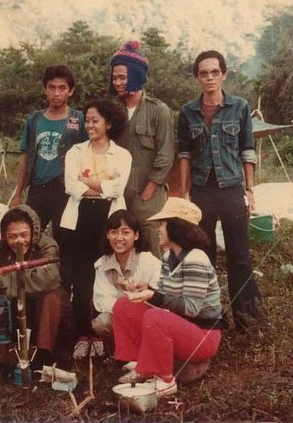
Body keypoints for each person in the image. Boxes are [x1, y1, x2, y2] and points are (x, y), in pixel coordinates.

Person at [177, 50, 262, 330]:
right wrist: (185, 192)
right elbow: (185, 154)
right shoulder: (188, 112)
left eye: (215, 72)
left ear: (223, 74)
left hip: (231, 189)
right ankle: (209, 315)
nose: (210, 78)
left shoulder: (239, 107)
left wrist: (249, 190)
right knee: (203, 254)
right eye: (204, 73)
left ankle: (247, 315)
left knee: (239, 254)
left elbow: (247, 150)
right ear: (197, 77)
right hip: (202, 192)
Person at [113, 197, 224, 397]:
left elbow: (191, 308)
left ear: (176, 227)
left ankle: (165, 379)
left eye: (163, 224)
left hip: (203, 335)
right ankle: (141, 365)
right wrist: (144, 288)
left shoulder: (196, 258)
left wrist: (153, 295)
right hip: (181, 326)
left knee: (155, 317)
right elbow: (164, 295)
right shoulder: (168, 257)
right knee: (124, 305)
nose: (158, 229)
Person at [10, 65, 88, 293]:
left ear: (70, 91)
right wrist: (17, 192)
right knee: (28, 238)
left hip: (65, 190)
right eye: (51, 88)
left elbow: (88, 153)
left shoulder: (79, 120)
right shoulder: (34, 120)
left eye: (62, 88)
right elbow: (26, 158)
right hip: (38, 189)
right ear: (45, 90)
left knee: (66, 242)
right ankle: (28, 290)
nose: (56, 93)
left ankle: (63, 294)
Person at [60, 99, 131, 342]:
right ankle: (82, 331)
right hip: (80, 217)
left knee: (108, 270)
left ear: (109, 124)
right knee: (82, 274)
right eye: (87, 120)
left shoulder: (122, 155)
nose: (89, 125)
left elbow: (116, 189)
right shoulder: (76, 152)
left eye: (95, 121)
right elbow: (71, 186)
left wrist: (87, 182)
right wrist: (99, 187)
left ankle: (108, 328)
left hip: (108, 217)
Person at [0, 205, 72, 367]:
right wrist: (27, 280)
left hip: (40, 311)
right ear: (5, 236)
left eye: (24, 235)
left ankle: (43, 354)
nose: (19, 241)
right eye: (12, 236)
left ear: (33, 233)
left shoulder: (47, 245)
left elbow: (50, 278)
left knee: (52, 294)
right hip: (10, 309)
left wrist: (6, 278)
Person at [109, 40, 175, 258]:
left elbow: (165, 155)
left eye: (122, 77)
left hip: (148, 194)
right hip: (117, 192)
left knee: (150, 246)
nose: (117, 82)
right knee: (120, 244)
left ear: (136, 76)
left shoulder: (158, 110)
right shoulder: (111, 110)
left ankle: (155, 292)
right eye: (114, 77)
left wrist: (148, 191)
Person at [92, 209, 161, 353]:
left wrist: (138, 293)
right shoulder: (102, 264)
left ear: (136, 235)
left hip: (146, 317)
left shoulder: (148, 261)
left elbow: (161, 297)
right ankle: (122, 354)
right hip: (119, 316)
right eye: (114, 232)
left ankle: (148, 352)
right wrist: (123, 303)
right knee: (101, 322)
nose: (119, 238)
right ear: (107, 235)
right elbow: (101, 300)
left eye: (125, 232)